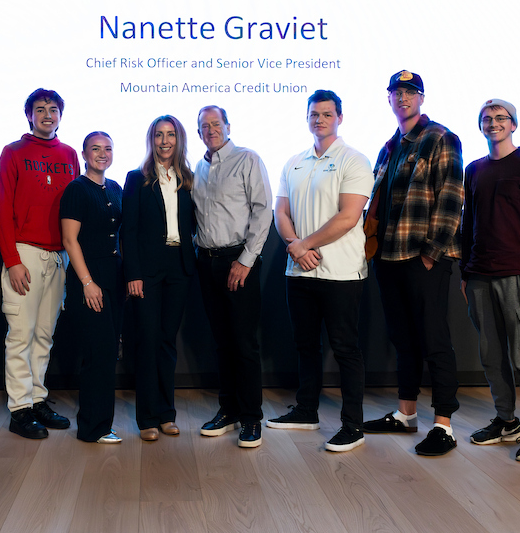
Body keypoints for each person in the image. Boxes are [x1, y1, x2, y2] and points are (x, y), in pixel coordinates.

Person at [363, 70, 464, 457]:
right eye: (396, 92)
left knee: (434, 339)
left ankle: (444, 425)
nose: (402, 98)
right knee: (403, 338)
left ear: (421, 98)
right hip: (388, 256)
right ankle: (406, 414)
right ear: (388, 99)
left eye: (410, 92)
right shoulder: (389, 147)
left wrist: (432, 253)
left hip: (423, 257)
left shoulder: (441, 138)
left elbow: (452, 198)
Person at [269, 90, 372, 453]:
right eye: (314, 114)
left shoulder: (354, 160)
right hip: (299, 272)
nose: (320, 120)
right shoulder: (294, 162)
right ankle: (306, 410)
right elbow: (280, 212)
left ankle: (352, 426)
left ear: (339, 117)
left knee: (345, 349)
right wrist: (296, 245)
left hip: (340, 273)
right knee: (305, 345)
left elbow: (348, 216)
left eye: (327, 114)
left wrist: (303, 244)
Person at [459, 99, 520, 462]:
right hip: (479, 276)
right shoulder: (475, 169)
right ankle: (506, 420)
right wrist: (465, 273)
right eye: (487, 118)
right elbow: (468, 224)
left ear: (513, 124)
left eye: (501, 118)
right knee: (491, 354)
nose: (493, 123)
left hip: (518, 277)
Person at [0, 88, 80, 438]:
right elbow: (1, 210)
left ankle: (37, 399)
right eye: (40, 109)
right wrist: (12, 261)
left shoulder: (71, 154)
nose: (47, 115)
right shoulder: (13, 152)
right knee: (21, 335)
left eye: (53, 109)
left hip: (58, 257)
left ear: (61, 114)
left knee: (44, 335)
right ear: (29, 114)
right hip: (24, 253)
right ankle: (19, 409)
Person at [191, 106, 273, 448]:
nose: (211, 129)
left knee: (244, 343)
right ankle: (229, 410)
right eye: (204, 126)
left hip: (238, 260)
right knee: (222, 342)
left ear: (227, 126)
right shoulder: (198, 167)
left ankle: (251, 417)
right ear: (198, 134)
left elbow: (262, 210)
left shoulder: (247, 159)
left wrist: (245, 260)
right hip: (207, 262)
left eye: (216, 123)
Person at [123, 115, 196, 441]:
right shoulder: (136, 179)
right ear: (151, 140)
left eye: (170, 135)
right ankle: (147, 418)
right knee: (148, 341)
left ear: (178, 140)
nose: (165, 141)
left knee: (167, 342)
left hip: (179, 267)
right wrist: (133, 274)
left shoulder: (189, 179)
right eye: (158, 135)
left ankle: (167, 414)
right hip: (147, 271)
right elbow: (130, 231)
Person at [60, 132, 125, 444]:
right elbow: (70, 241)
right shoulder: (76, 189)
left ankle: (102, 424)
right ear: (84, 154)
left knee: (109, 352)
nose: (102, 154)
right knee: (97, 354)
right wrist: (87, 282)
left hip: (113, 277)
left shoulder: (114, 188)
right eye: (96, 149)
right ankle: (92, 428)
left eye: (108, 148)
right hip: (90, 280)